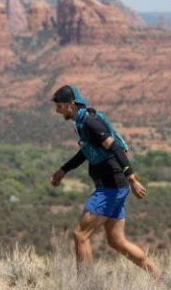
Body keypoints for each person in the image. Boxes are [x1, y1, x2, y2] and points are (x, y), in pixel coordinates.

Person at [49, 84, 160, 278]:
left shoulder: (90, 122)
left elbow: (115, 148)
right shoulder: (81, 122)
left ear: (70, 104)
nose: (57, 110)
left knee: (80, 235)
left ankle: (87, 285)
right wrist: (64, 170)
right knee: (117, 241)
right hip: (113, 186)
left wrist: (132, 179)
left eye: (59, 106)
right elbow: (86, 151)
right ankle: (160, 277)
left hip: (111, 186)